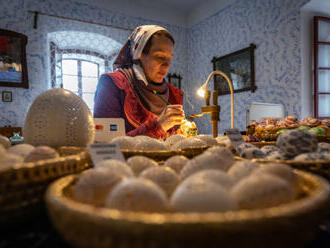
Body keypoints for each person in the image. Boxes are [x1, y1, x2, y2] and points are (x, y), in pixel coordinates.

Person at [94, 25, 184, 139]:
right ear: (139, 54)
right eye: (159, 56)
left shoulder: (174, 94)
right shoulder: (113, 84)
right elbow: (106, 146)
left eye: (169, 58)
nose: (167, 65)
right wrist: (158, 126)